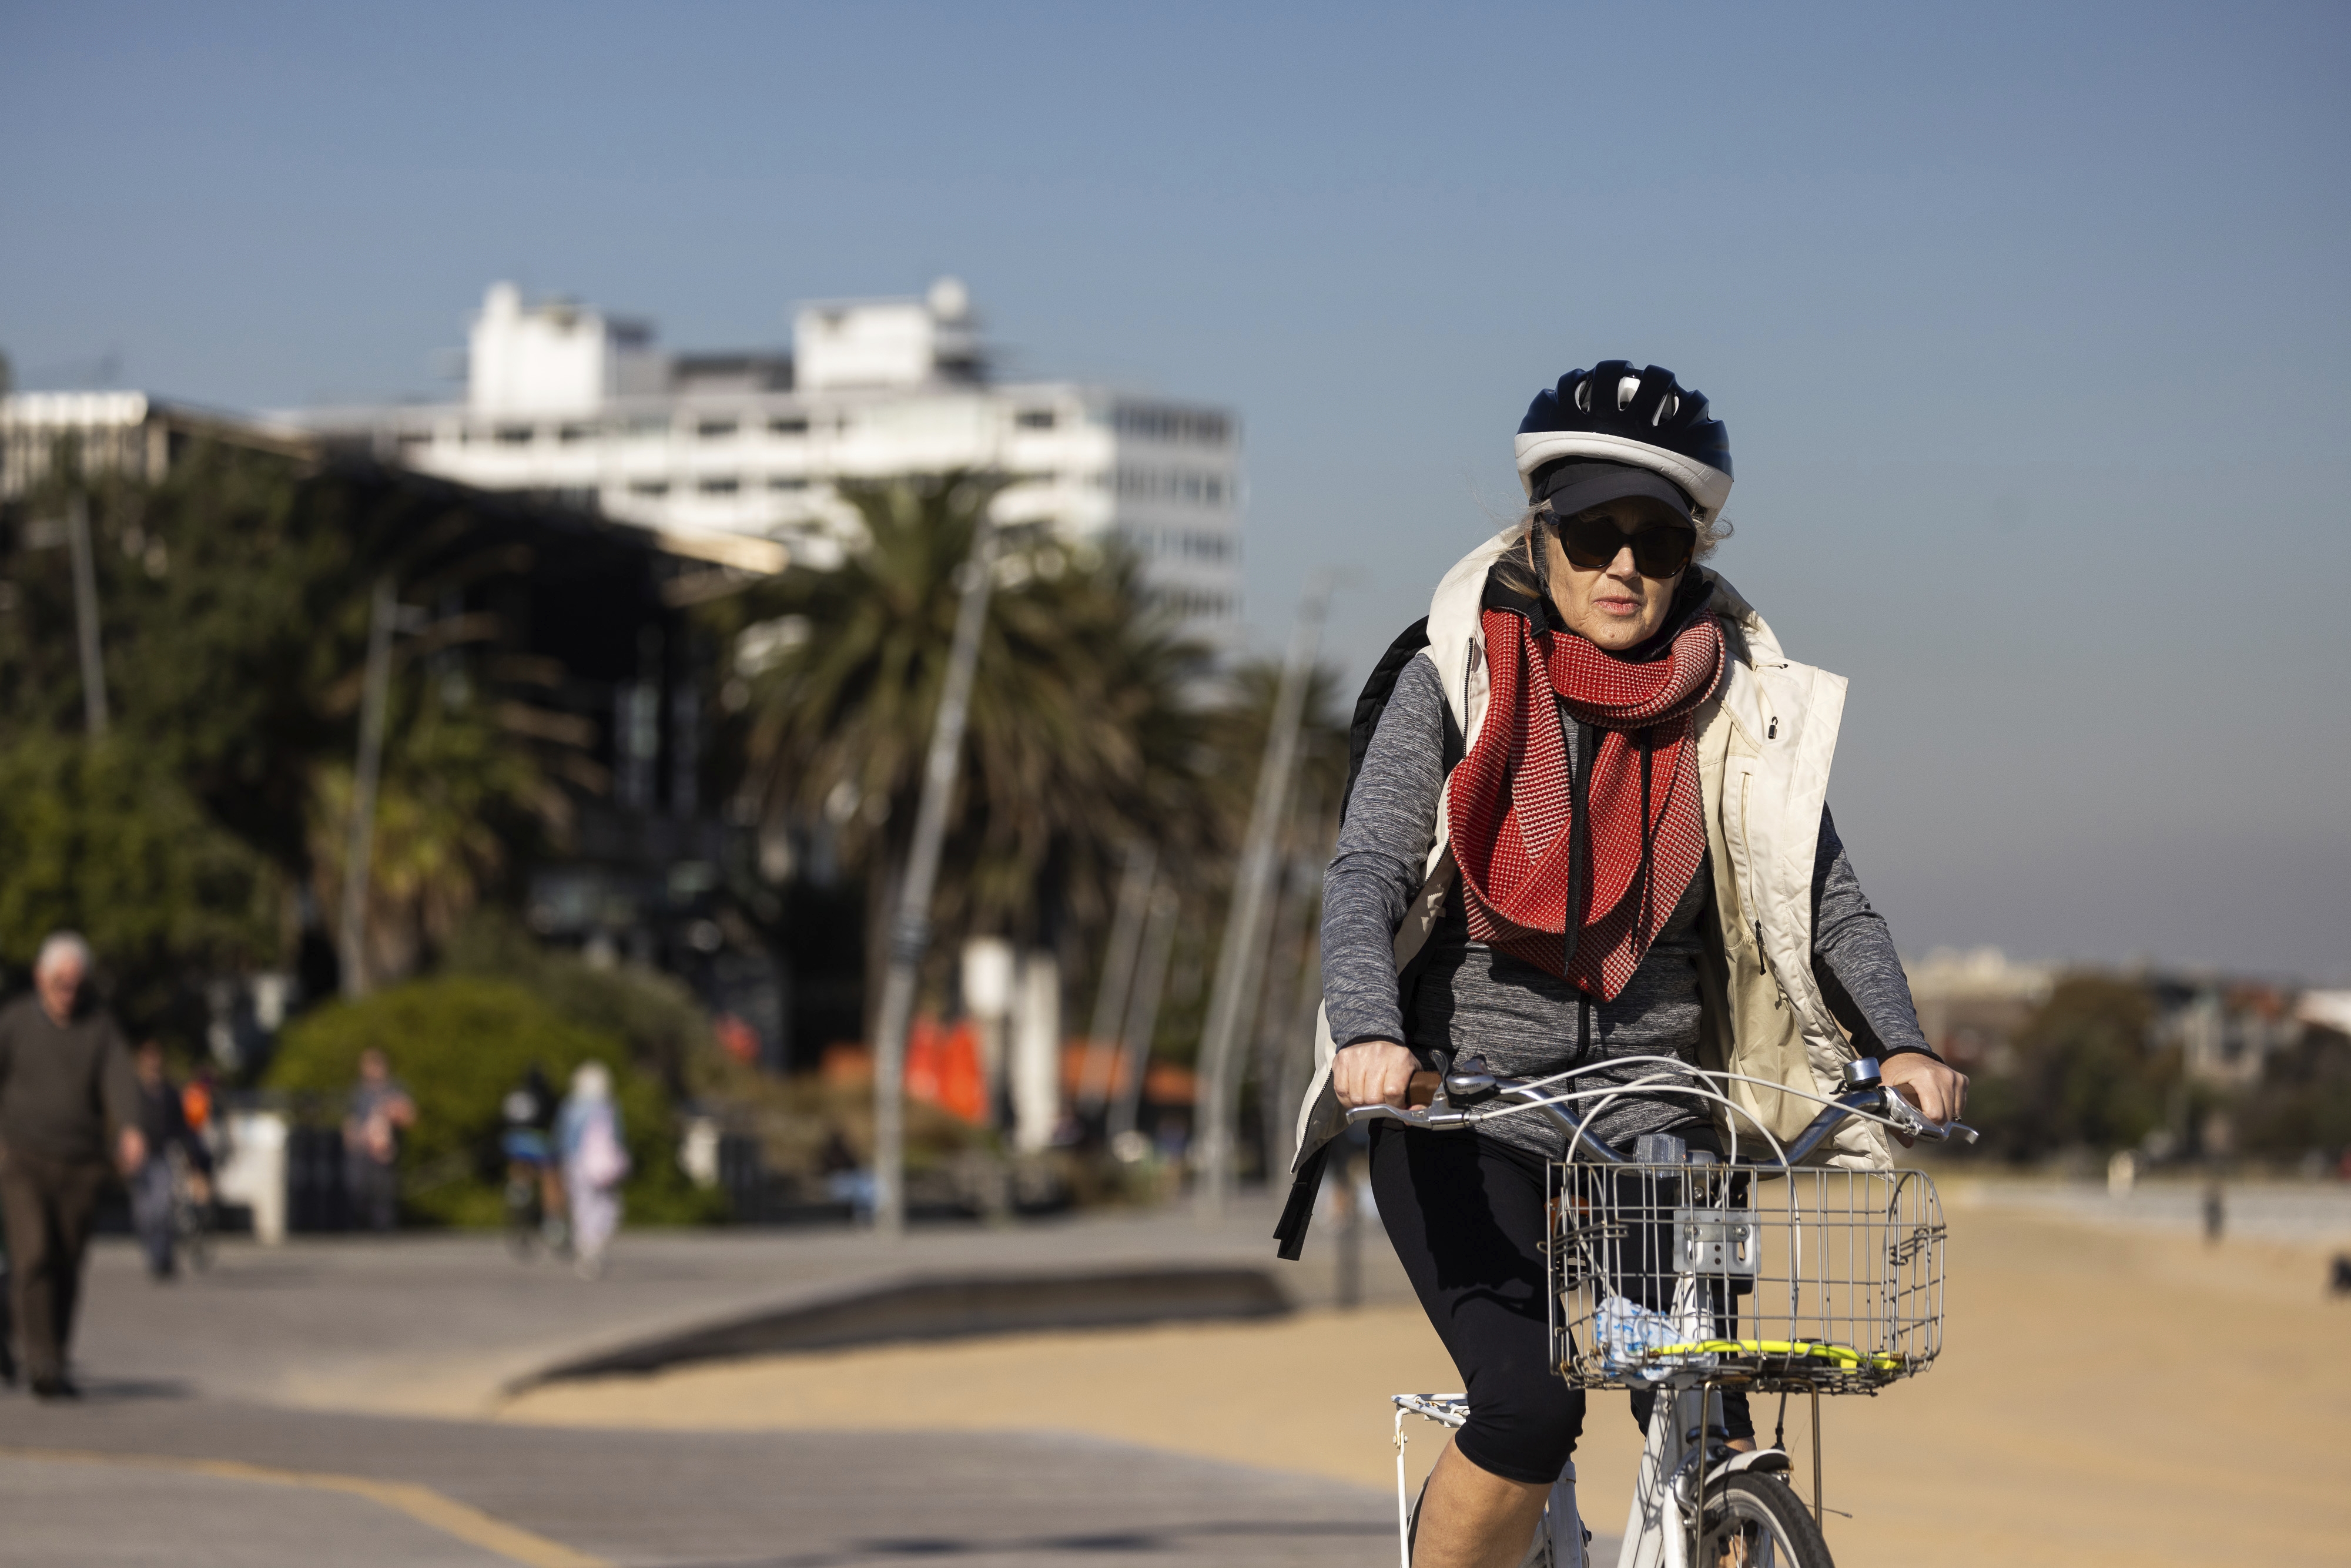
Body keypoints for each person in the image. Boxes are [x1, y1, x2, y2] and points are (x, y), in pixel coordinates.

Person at [1296, 363, 1970, 1567]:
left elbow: (1824, 898)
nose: (1621, 567)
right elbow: (1366, 877)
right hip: (1463, 1104)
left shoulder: (1736, 704)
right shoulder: (1451, 673)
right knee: (1526, 1403)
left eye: (1653, 541)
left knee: (1706, 1410)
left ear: (1691, 553)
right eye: (1593, 532)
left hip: (1652, 1108)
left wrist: (1901, 1040)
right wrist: (1368, 1033)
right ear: (1538, 534)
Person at [0, 932, 143, 1399]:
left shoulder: (99, 1027)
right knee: (34, 1255)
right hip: (22, 1158)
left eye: (76, 985)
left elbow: (119, 1078)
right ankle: (40, 1360)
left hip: (81, 1164)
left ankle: (55, 1354)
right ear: (42, 978)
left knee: (66, 1261)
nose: (68, 993)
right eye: (60, 983)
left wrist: (130, 1128)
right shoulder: (16, 1022)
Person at [128, 1041, 213, 1279]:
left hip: (164, 1154)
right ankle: (153, 1252)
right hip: (140, 1157)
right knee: (144, 1213)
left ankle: (163, 1258)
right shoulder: (133, 1092)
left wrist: (191, 1157)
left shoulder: (170, 1093)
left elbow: (184, 1128)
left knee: (163, 1208)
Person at [556, 1062, 628, 1278]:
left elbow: (563, 1138)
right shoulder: (608, 1107)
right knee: (606, 1205)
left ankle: (585, 1246)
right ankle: (595, 1244)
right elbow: (618, 1138)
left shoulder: (571, 1106)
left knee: (581, 1205)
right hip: (602, 1165)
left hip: (576, 1162)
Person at [341, 1048, 415, 1233]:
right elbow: (350, 1121)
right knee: (358, 1194)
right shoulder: (358, 1092)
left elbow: (409, 1116)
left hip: (383, 1152)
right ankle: (360, 1231)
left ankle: (384, 1235)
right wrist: (353, 1139)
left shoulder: (395, 1089)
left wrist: (391, 1112)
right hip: (362, 1153)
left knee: (383, 1198)